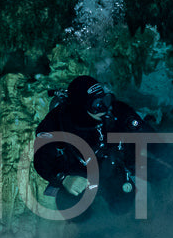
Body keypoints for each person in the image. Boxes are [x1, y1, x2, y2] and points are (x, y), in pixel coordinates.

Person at [33, 75, 147, 215]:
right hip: (78, 176)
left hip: (109, 168)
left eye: (105, 100)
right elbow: (41, 160)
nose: (104, 108)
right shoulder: (56, 123)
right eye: (97, 104)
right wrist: (64, 179)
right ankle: (85, 225)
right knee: (72, 209)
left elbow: (147, 136)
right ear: (81, 107)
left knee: (125, 204)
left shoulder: (114, 112)